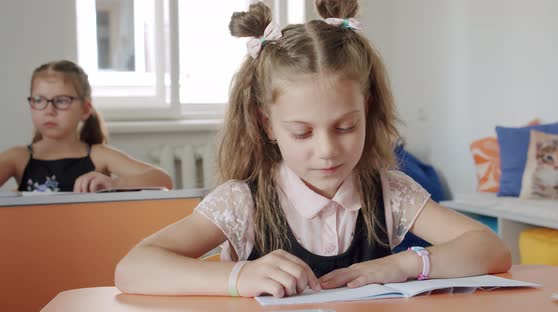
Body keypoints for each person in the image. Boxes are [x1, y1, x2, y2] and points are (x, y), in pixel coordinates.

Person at [115, 0, 511, 298]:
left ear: (367, 109)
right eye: (302, 133)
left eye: (345, 127)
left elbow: (491, 249)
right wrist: (239, 277)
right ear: (267, 124)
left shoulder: (391, 192)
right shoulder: (242, 202)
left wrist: (401, 264)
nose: (327, 151)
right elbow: (133, 268)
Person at [0, 60, 173, 192]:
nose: (49, 110)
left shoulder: (99, 155)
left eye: (61, 101)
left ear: (85, 109)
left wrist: (114, 184)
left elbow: (163, 179)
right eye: (39, 100)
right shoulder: (18, 158)